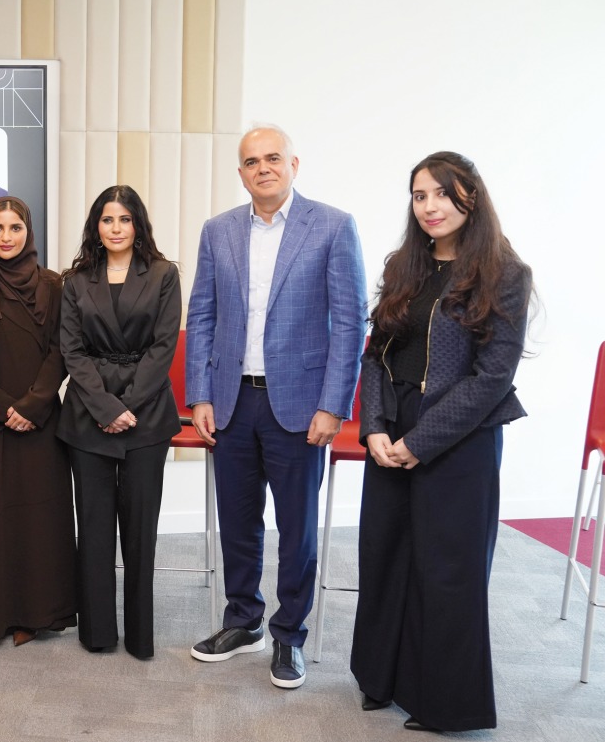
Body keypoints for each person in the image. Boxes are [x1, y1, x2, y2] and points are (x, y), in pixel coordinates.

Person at [351, 152, 531, 732]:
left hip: (460, 437)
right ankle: (382, 680)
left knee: (447, 571)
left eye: (441, 194)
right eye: (419, 195)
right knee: (385, 556)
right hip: (392, 426)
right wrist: (375, 427)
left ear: (470, 198)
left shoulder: (506, 272)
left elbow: (492, 377)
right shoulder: (406, 266)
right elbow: (376, 355)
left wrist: (420, 441)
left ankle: (447, 704)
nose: (429, 206)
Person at [184, 124, 366, 689]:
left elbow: (349, 321)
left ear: (293, 164)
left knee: (297, 530)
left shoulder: (333, 226)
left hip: (300, 406)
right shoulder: (218, 231)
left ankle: (290, 636)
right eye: (250, 162)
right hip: (234, 401)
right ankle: (243, 621)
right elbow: (204, 317)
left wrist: (334, 405)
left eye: (272, 158)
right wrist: (201, 395)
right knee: (238, 523)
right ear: (240, 173)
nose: (262, 168)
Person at [57, 185, 181, 659]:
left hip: (147, 414)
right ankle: (98, 633)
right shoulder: (75, 280)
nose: (115, 228)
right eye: (107, 220)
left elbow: (163, 347)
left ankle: (141, 636)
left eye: (124, 220)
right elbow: (72, 351)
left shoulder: (165, 275)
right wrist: (108, 408)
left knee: (139, 530)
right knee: (92, 528)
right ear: (96, 226)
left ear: (138, 225)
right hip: (89, 414)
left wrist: (129, 404)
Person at [0, 196, 76, 646]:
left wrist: (33, 405)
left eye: (15, 228)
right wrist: (5, 408)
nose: (6, 237)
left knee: (40, 517)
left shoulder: (53, 285)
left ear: (29, 233)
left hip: (41, 421)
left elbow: (60, 352)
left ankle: (38, 612)